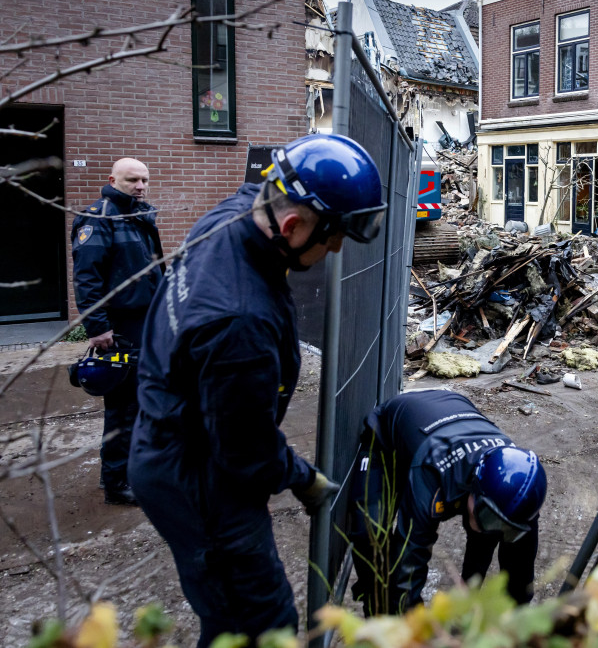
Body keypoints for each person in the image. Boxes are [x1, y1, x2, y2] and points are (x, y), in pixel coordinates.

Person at [128, 134, 387, 646]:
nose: (336, 249)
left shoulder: (235, 214)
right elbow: (245, 451)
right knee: (256, 625)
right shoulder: (239, 323)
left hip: (173, 434)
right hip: (197, 477)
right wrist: (301, 477)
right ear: (291, 227)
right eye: (333, 237)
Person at [349, 389, 547, 616]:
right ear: (474, 487)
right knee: (369, 532)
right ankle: (376, 609)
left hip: (455, 415)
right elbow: (410, 561)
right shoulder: (431, 474)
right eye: (488, 516)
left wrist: (510, 616)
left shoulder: (521, 485)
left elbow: (520, 571)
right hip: (389, 433)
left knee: (515, 539)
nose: (489, 530)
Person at [71, 157, 163, 506]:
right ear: (113, 179)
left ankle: (131, 470)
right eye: (131, 180)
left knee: (141, 401)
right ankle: (116, 483)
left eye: (144, 180)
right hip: (121, 328)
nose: (140, 186)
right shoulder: (99, 217)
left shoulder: (139, 215)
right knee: (123, 406)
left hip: (145, 322)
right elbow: (87, 277)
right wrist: (97, 327)